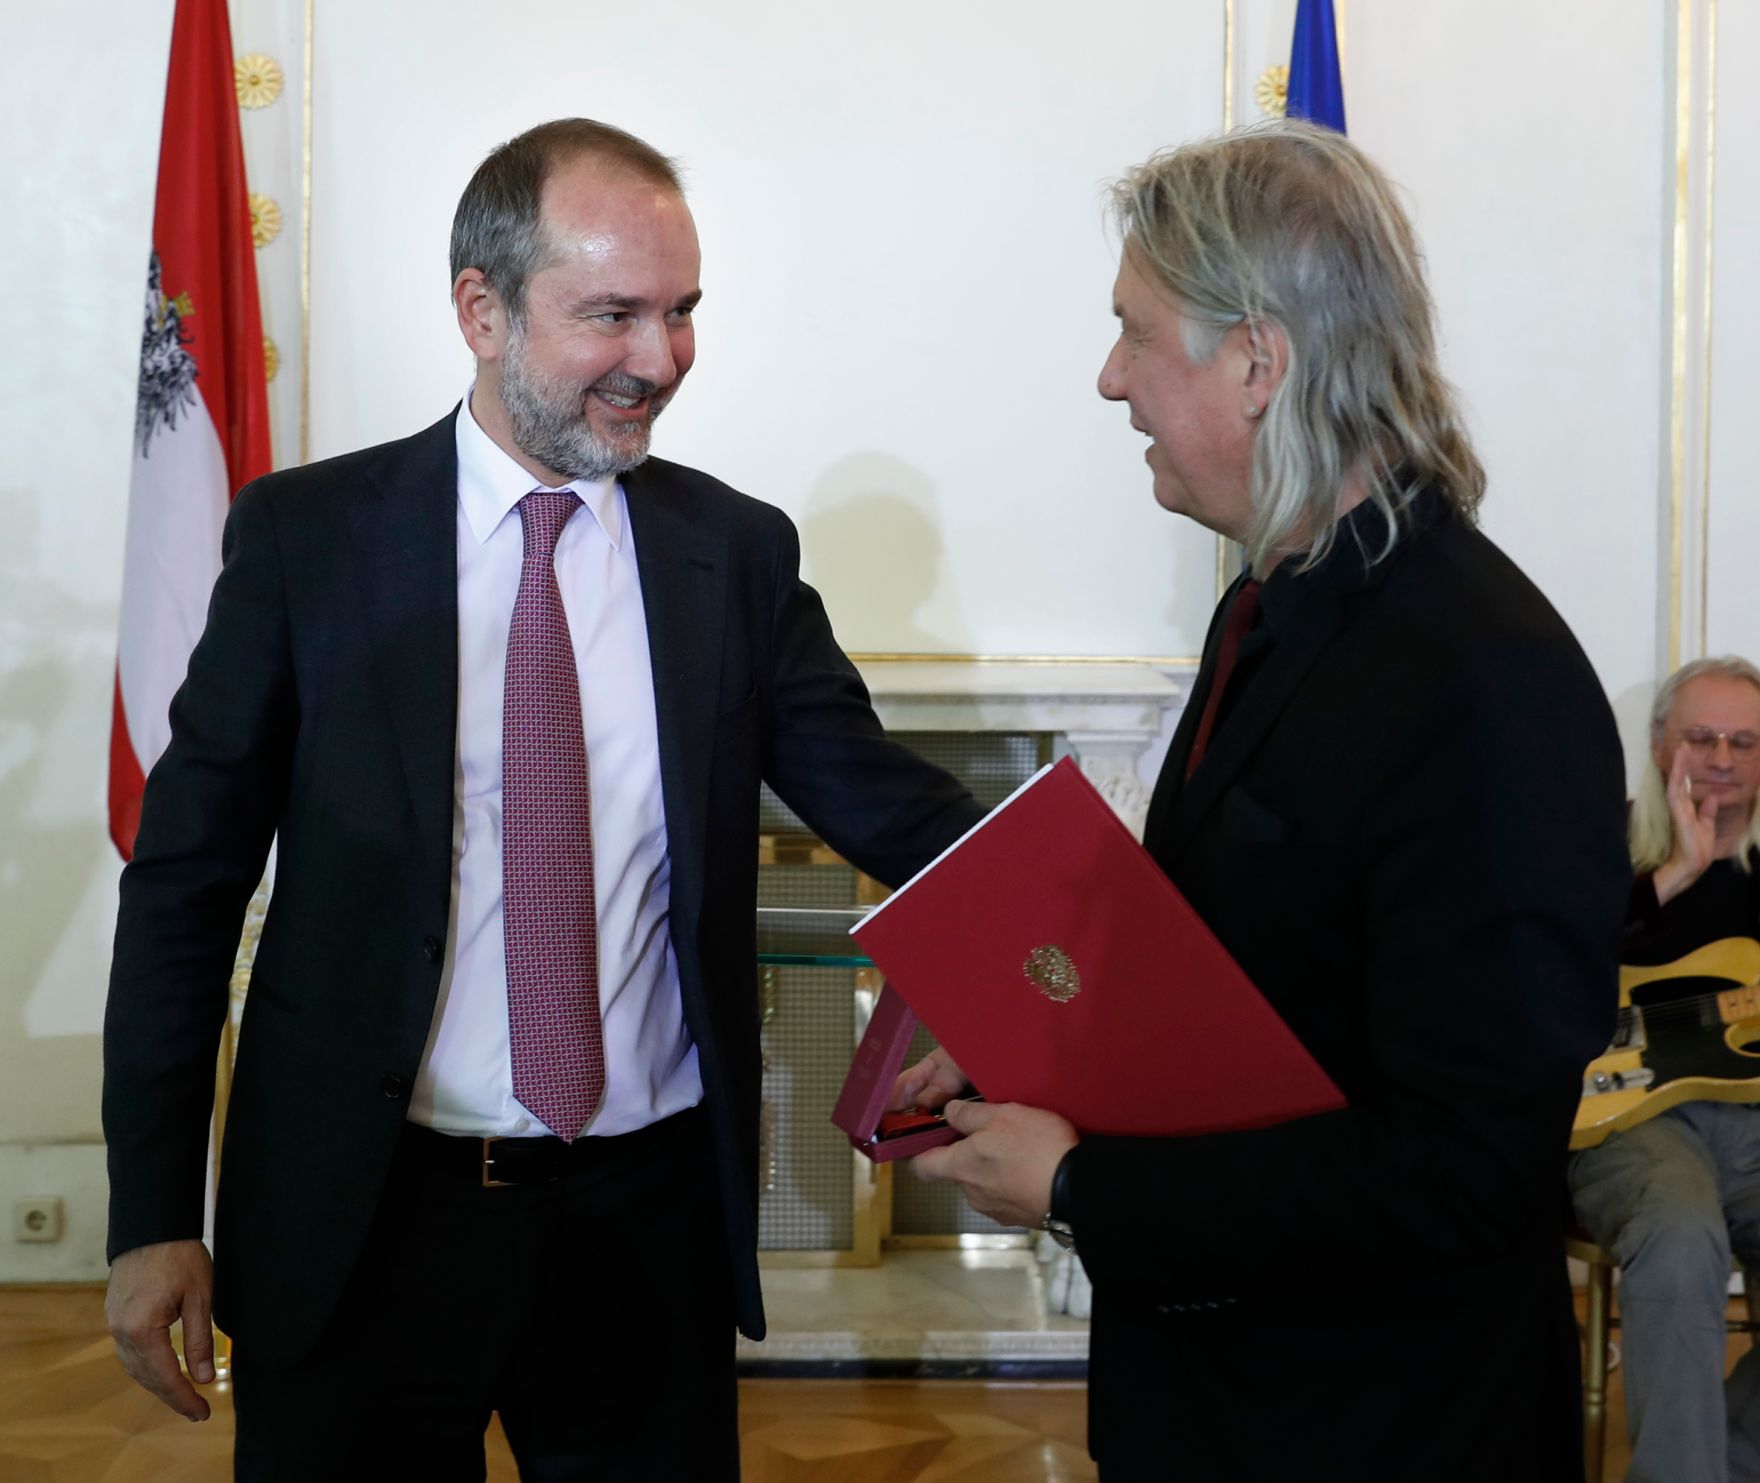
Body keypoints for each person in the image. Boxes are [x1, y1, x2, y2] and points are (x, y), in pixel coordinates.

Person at [101, 117, 982, 1481]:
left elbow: (898, 812)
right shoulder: (309, 541)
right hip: (363, 1221)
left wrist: (1106, 932)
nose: (661, 358)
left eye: (682, 313)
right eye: (613, 313)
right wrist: (151, 1210)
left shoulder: (732, 555)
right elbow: (184, 883)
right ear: (481, 307)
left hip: (642, 1232)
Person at [893, 119, 1630, 1480]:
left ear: (1258, 361)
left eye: (1136, 331)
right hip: (1224, 1401)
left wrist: (1075, 1183)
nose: (1108, 377)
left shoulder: (1484, 677)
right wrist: (1038, 1046)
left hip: (1379, 1425)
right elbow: (1243, 989)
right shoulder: (1268, 605)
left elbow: (1464, 1165)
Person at [1569, 655, 1760, 1483]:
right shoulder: (1591, 843)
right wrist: (1674, 875)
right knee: (1683, 1236)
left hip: (1752, 1119)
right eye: (1702, 736)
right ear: (1658, 746)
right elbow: (1534, 976)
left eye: (1745, 740)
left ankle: (1729, 1456)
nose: (1722, 757)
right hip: (1628, 1121)